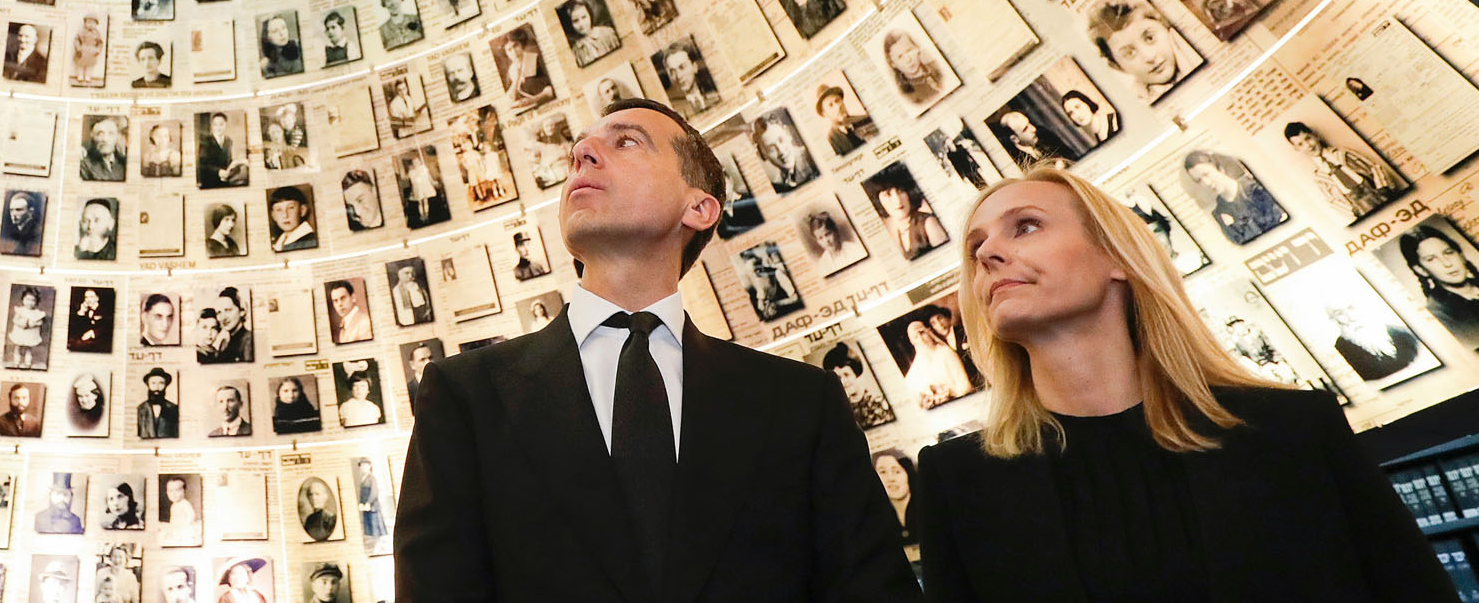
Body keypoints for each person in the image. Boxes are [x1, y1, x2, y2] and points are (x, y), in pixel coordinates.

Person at [396, 99, 919, 600]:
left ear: (699, 206)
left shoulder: (803, 401)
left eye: (626, 142)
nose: (583, 154)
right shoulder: (465, 395)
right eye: (579, 149)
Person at [919, 165, 1457, 602]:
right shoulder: (957, 480)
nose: (986, 255)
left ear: (1117, 258)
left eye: (1026, 225)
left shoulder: (1293, 429)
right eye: (975, 247)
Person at [1397, 223, 1479, 343]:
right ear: (1421, 270)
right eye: (1431, 259)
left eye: (1448, 252)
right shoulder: (1439, 316)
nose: (1447, 263)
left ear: (1460, 255)